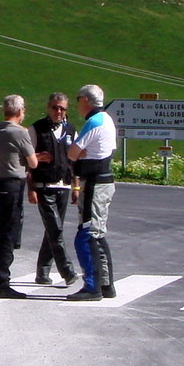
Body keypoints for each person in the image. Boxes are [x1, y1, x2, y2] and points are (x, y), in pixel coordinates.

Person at [66, 84, 117, 302]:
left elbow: (72, 152)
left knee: (86, 235)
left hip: (95, 184)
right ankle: (105, 284)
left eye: (78, 99)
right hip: (103, 181)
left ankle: (92, 285)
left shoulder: (94, 121)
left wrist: (78, 153)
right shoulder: (106, 119)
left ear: (85, 100)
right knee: (98, 233)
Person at [0, 94, 37, 298]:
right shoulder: (20, 132)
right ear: (20, 111)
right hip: (11, 185)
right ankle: (1, 282)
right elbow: (33, 163)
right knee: (7, 234)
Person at [28, 93, 78, 287]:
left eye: (62, 109)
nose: (58, 112)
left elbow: (74, 160)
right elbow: (28, 161)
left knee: (53, 230)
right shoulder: (36, 129)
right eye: (55, 108)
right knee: (55, 230)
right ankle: (67, 270)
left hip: (64, 186)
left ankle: (43, 271)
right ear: (48, 108)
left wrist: (75, 186)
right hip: (44, 186)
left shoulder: (71, 130)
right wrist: (31, 188)